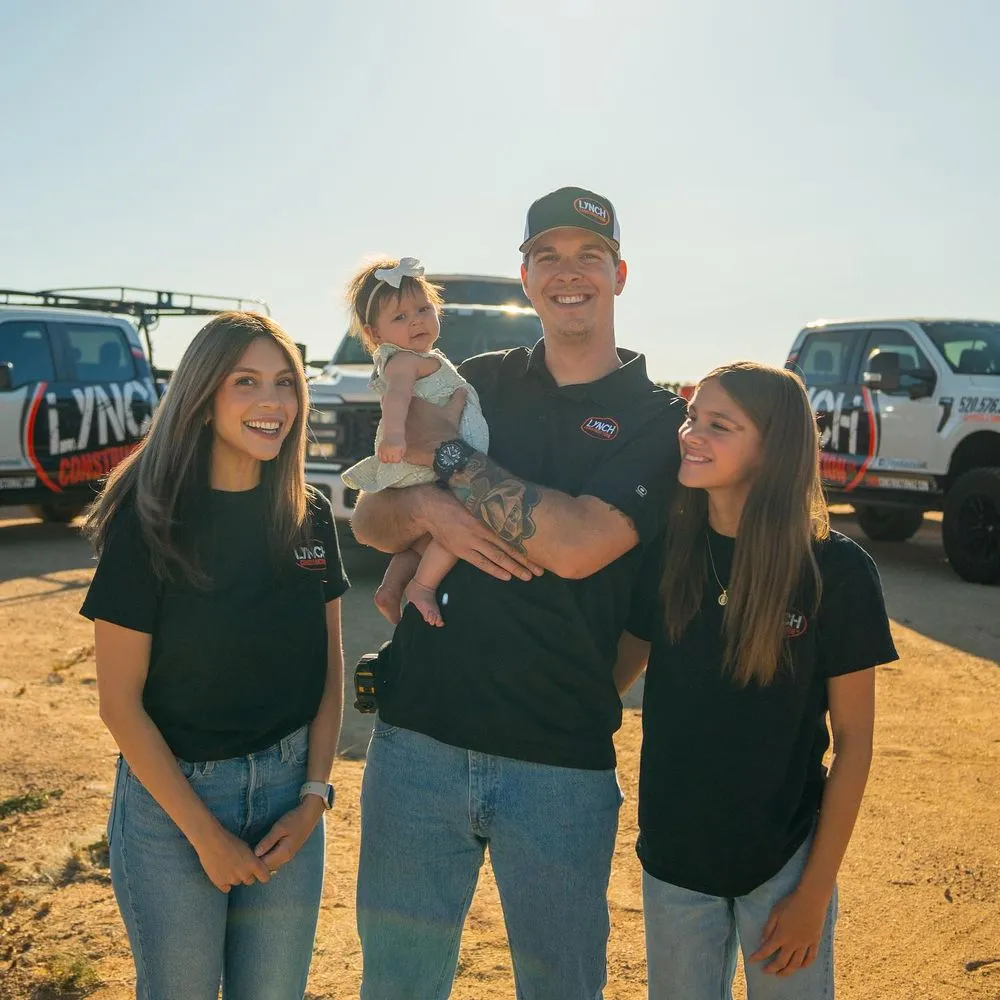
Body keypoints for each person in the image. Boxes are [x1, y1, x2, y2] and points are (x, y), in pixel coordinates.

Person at [349, 186, 686, 999]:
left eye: (589, 257)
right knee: (397, 983)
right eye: (548, 257)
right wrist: (427, 504)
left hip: (558, 766)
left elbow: (576, 545)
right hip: (416, 742)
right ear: (525, 276)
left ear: (621, 274)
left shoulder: (656, 418)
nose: (568, 274)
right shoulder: (478, 381)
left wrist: (456, 467)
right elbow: (368, 518)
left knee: (561, 985)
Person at [80, 312, 348, 1000]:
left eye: (286, 384)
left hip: (290, 800)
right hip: (175, 806)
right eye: (248, 382)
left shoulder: (308, 514)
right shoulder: (146, 520)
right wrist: (205, 834)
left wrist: (314, 797)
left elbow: (328, 671)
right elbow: (120, 705)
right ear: (202, 396)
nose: (274, 403)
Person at [613, 361, 898, 999]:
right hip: (674, 862)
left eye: (719, 424)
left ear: (774, 446)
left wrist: (813, 894)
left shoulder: (835, 570)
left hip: (785, 865)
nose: (691, 433)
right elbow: (610, 683)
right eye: (691, 417)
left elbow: (854, 742)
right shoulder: (668, 551)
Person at [341, 256, 490, 627]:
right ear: (375, 334)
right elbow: (396, 398)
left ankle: (392, 584)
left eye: (423, 309)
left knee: (428, 536)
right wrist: (393, 435)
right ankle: (422, 587)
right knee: (465, 523)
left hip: (436, 459)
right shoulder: (403, 362)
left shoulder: (423, 357)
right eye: (400, 317)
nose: (416, 321)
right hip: (420, 461)